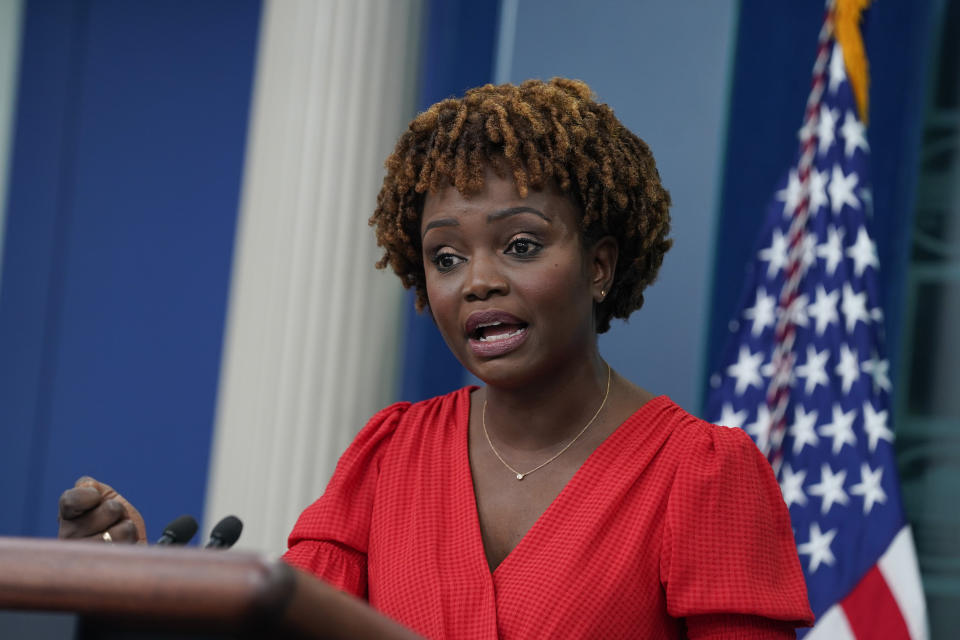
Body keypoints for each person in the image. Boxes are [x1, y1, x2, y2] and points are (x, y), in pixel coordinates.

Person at [59, 79, 814, 638]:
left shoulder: (702, 473)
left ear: (599, 264)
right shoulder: (388, 457)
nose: (478, 280)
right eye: (445, 256)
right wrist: (132, 587)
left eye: (520, 245)